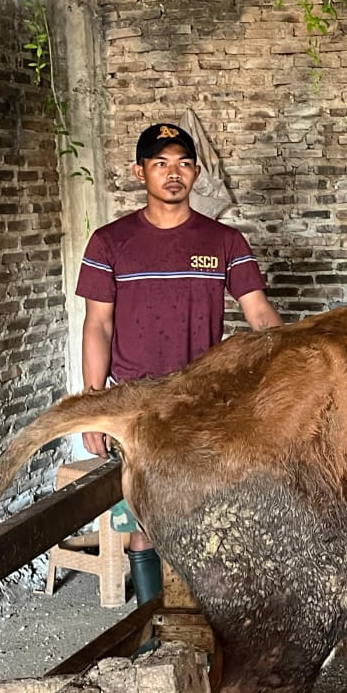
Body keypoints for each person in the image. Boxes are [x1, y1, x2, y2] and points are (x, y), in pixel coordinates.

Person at [76, 122, 282, 605]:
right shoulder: (109, 242)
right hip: (137, 404)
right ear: (140, 172)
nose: (174, 173)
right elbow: (98, 325)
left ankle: (204, 621)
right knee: (145, 519)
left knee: (208, 513)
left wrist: (296, 365)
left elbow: (260, 316)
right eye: (161, 163)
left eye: (184, 163)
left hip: (204, 402)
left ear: (196, 172)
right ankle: (154, 626)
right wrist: (93, 405)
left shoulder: (224, 241)